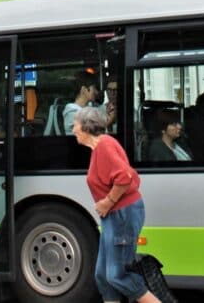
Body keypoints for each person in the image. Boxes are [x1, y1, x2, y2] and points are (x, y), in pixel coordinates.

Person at [71, 107, 161, 303]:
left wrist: (107, 202)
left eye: (75, 125)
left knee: (117, 275)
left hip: (122, 215)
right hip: (115, 217)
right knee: (103, 276)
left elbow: (124, 177)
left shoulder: (104, 146)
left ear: (86, 127)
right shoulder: (100, 147)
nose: (73, 130)